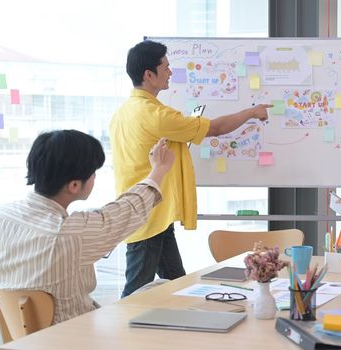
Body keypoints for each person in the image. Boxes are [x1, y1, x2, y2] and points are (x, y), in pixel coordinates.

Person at [110, 40, 272, 298]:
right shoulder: (157, 116)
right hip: (149, 217)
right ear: (148, 75)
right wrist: (252, 112)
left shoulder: (124, 112)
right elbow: (216, 128)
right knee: (134, 295)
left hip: (151, 214)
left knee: (177, 285)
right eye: (165, 67)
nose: (170, 72)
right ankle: (124, 336)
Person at [0, 130, 174, 324]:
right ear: (74, 185)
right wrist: (159, 169)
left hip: (24, 340)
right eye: (93, 173)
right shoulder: (68, 234)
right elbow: (128, 209)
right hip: (75, 336)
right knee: (165, 288)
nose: (94, 178)